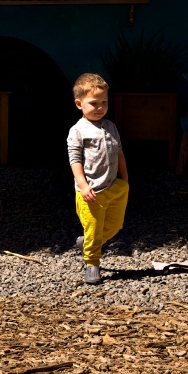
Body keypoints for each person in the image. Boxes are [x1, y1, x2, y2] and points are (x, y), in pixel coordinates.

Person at [67, 72, 129, 286]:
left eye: (104, 102)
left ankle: (88, 242)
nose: (100, 107)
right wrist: (83, 185)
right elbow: (75, 160)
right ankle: (92, 262)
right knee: (93, 227)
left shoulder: (110, 126)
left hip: (115, 186)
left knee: (115, 225)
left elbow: (119, 152)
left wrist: (125, 178)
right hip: (91, 191)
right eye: (94, 103)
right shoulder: (78, 131)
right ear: (79, 104)